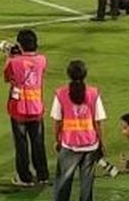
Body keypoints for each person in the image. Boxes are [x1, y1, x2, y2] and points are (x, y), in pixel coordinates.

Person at [51, 59, 106, 201]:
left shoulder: (61, 93)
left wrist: (57, 139)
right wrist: (101, 143)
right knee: (86, 185)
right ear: (85, 74)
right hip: (90, 145)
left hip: (69, 145)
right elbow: (98, 121)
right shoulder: (94, 93)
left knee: (63, 182)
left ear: (68, 74)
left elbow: (57, 120)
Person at [3, 29, 49, 187]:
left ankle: (25, 177)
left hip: (19, 109)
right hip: (36, 108)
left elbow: (7, 77)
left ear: (20, 44)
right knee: (38, 143)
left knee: (21, 144)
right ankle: (43, 175)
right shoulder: (42, 60)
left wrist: (9, 57)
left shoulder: (14, 62)